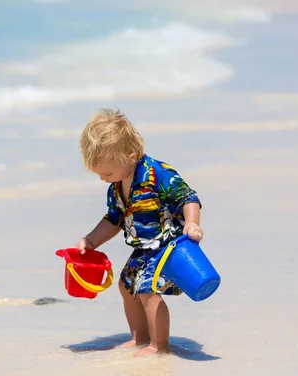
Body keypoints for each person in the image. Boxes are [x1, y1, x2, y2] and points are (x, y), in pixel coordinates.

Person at [75, 108, 204, 357]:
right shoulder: (116, 187)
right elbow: (114, 220)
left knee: (147, 289)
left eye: (108, 173)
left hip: (170, 245)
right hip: (143, 248)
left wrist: (191, 223)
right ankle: (140, 338)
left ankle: (159, 346)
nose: (104, 179)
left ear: (131, 156)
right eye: (100, 174)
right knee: (126, 286)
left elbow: (189, 196)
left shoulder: (158, 173)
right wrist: (91, 241)